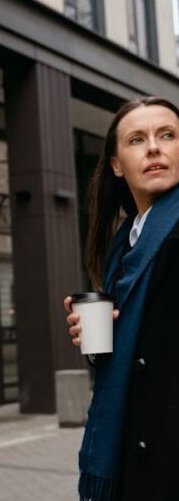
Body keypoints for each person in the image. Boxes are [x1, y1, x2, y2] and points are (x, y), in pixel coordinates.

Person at [64, 96, 179, 501]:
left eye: (167, 135)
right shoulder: (125, 244)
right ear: (116, 164)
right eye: (136, 139)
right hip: (133, 451)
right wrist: (100, 340)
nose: (153, 147)